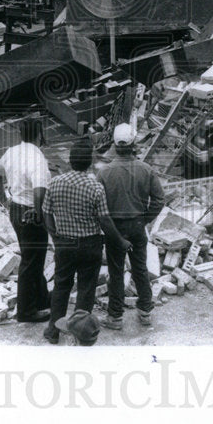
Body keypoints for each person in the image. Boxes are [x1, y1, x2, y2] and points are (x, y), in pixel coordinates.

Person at [41, 139, 132, 345]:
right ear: (89, 163)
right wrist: (120, 241)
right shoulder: (95, 187)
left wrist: (55, 234)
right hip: (89, 245)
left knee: (61, 286)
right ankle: (79, 333)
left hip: (64, 244)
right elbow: (105, 220)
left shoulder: (55, 183)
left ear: (70, 161)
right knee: (86, 289)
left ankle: (53, 331)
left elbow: (46, 213)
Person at [96, 123, 165, 330]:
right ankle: (145, 312)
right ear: (134, 144)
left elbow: (99, 206)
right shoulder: (146, 169)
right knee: (140, 269)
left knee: (116, 272)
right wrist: (144, 220)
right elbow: (159, 200)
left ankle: (115, 317)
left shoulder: (104, 173)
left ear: (115, 146)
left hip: (114, 228)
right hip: (136, 225)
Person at [0, 118, 52, 323]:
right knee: (31, 261)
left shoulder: (12, 152)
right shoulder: (38, 158)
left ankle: (43, 300)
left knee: (33, 257)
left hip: (16, 208)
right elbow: (39, 190)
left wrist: (3, 199)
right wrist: (40, 214)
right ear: (39, 134)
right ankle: (26, 311)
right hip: (31, 211)